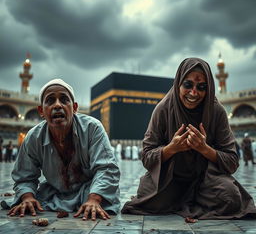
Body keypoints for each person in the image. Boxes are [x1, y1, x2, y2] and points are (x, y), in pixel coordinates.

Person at [121, 57, 256, 219]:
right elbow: (146, 157)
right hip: (171, 180)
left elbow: (232, 161)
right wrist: (171, 149)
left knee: (230, 197)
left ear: (209, 88)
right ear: (178, 82)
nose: (194, 93)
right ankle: (192, 201)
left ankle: (189, 200)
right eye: (188, 85)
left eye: (201, 87)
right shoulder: (163, 109)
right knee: (147, 193)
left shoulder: (216, 111)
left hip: (207, 180)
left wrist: (204, 149)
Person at [2, 79, 120, 220]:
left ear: (74, 108)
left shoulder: (92, 128)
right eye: (50, 101)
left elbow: (106, 168)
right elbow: (24, 176)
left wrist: (94, 199)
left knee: (105, 200)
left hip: (90, 190)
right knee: (32, 202)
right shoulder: (33, 137)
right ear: (41, 111)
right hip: (54, 193)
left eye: (64, 100)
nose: (58, 105)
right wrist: (27, 197)